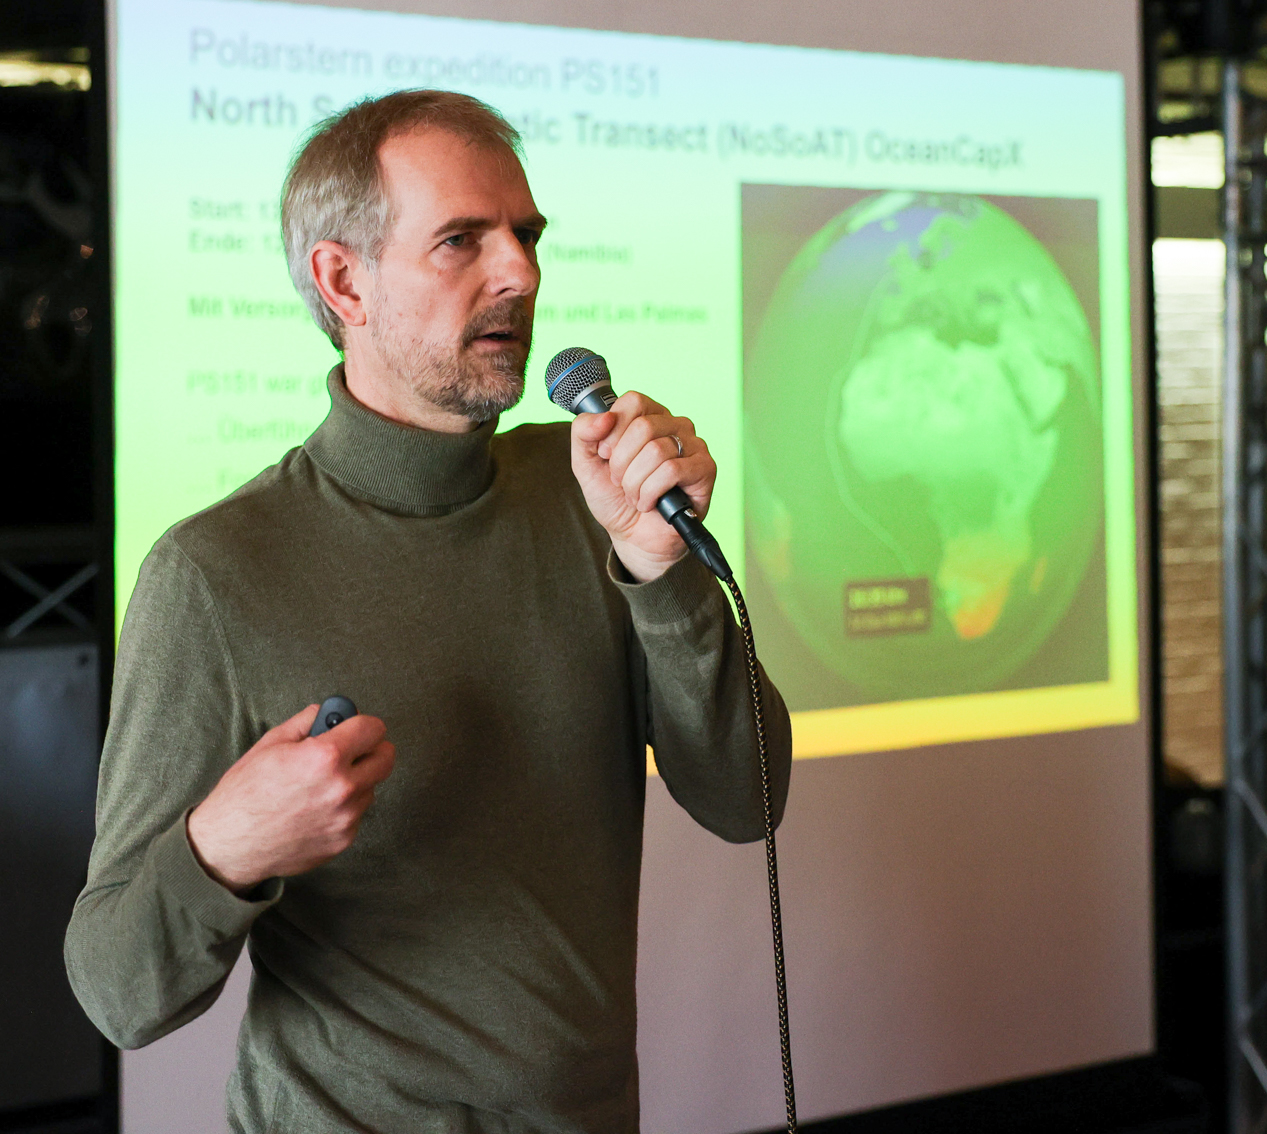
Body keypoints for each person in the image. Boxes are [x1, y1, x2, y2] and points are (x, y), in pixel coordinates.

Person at [64, 89, 790, 1133]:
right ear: (343, 281)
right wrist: (224, 846)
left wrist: (661, 569)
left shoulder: (590, 495)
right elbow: (116, 994)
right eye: (462, 240)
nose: (520, 273)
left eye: (527, 236)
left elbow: (747, 801)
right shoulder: (215, 571)